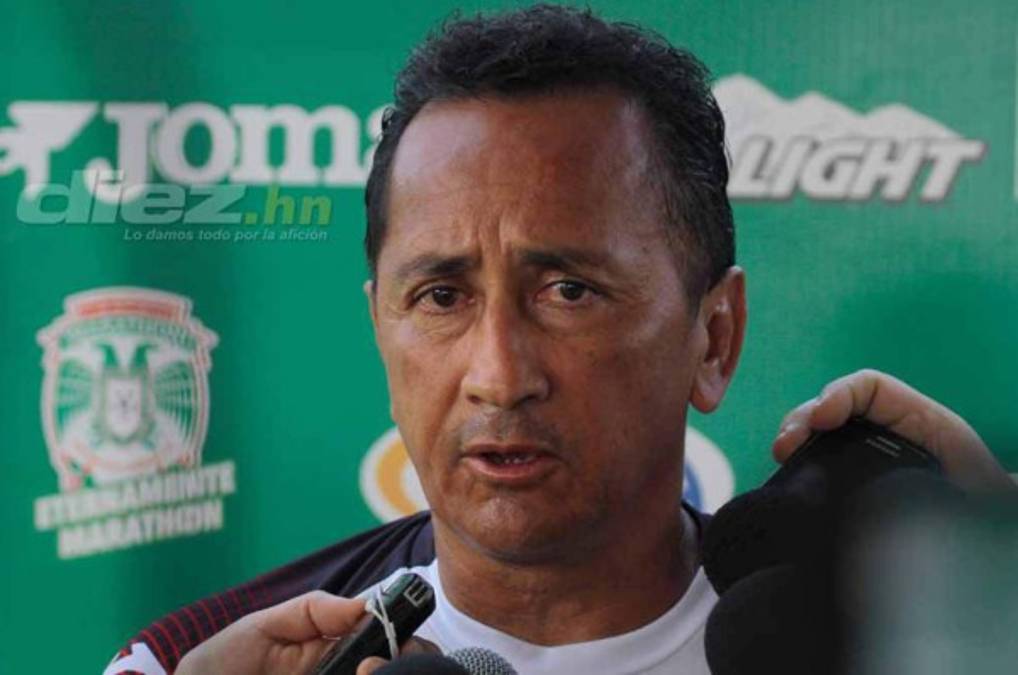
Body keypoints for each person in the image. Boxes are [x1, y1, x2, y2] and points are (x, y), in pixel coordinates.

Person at [105, 6, 1014, 675]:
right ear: (381, 328)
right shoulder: (193, 661)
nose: (499, 375)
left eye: (569, 291)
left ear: (714, 338)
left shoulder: (913, 642)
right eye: (441, 296)